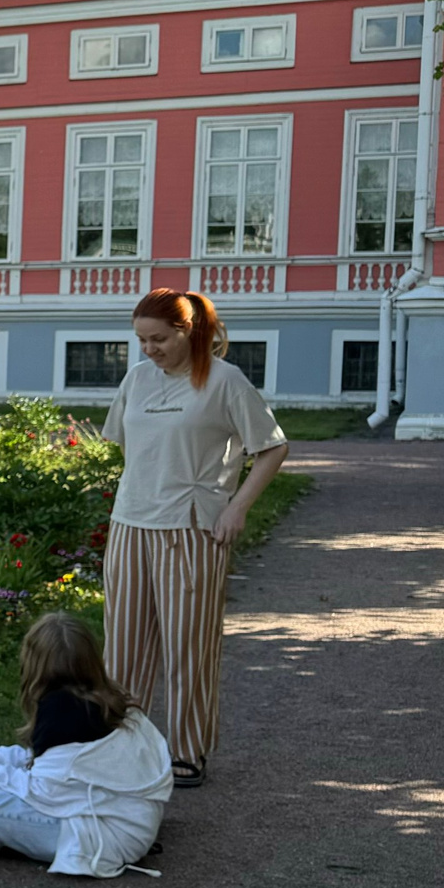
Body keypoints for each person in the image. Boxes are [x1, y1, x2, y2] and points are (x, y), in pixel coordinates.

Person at [101, 289, 287, 788]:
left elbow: (272, 447)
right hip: (131, 524)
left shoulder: (225, 382)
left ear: (189, 332)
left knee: (189, 646)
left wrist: (237, 507)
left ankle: (187, 750)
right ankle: (124, 747)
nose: (148, 350)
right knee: (122, 650)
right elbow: (124, 445)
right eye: (141, 340)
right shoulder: (137, 379)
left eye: (158, 339)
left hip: (191, 527)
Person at [0, 612, 172, 876]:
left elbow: (42, 791)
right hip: (133, 820)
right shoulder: (108, 698)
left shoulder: (60, 712)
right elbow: (56, 765)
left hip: (105, 837)